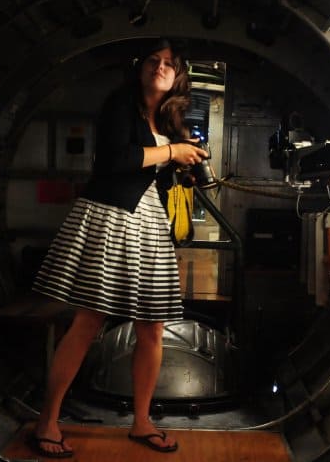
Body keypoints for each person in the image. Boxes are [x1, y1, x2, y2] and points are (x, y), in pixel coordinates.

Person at [29, 38, 208, 458]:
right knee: (88, 322)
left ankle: (142, 422)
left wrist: (183, 168)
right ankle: (47, 422)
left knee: (152, 328)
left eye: (168, 63)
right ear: (140, 68)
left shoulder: (168, 119)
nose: (160, 67)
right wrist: (171, 152)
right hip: (110, 217)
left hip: (147, 221)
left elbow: (154, 175)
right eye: (153, 60)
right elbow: (114, 160)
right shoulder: (119, 105)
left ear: (177, 74)